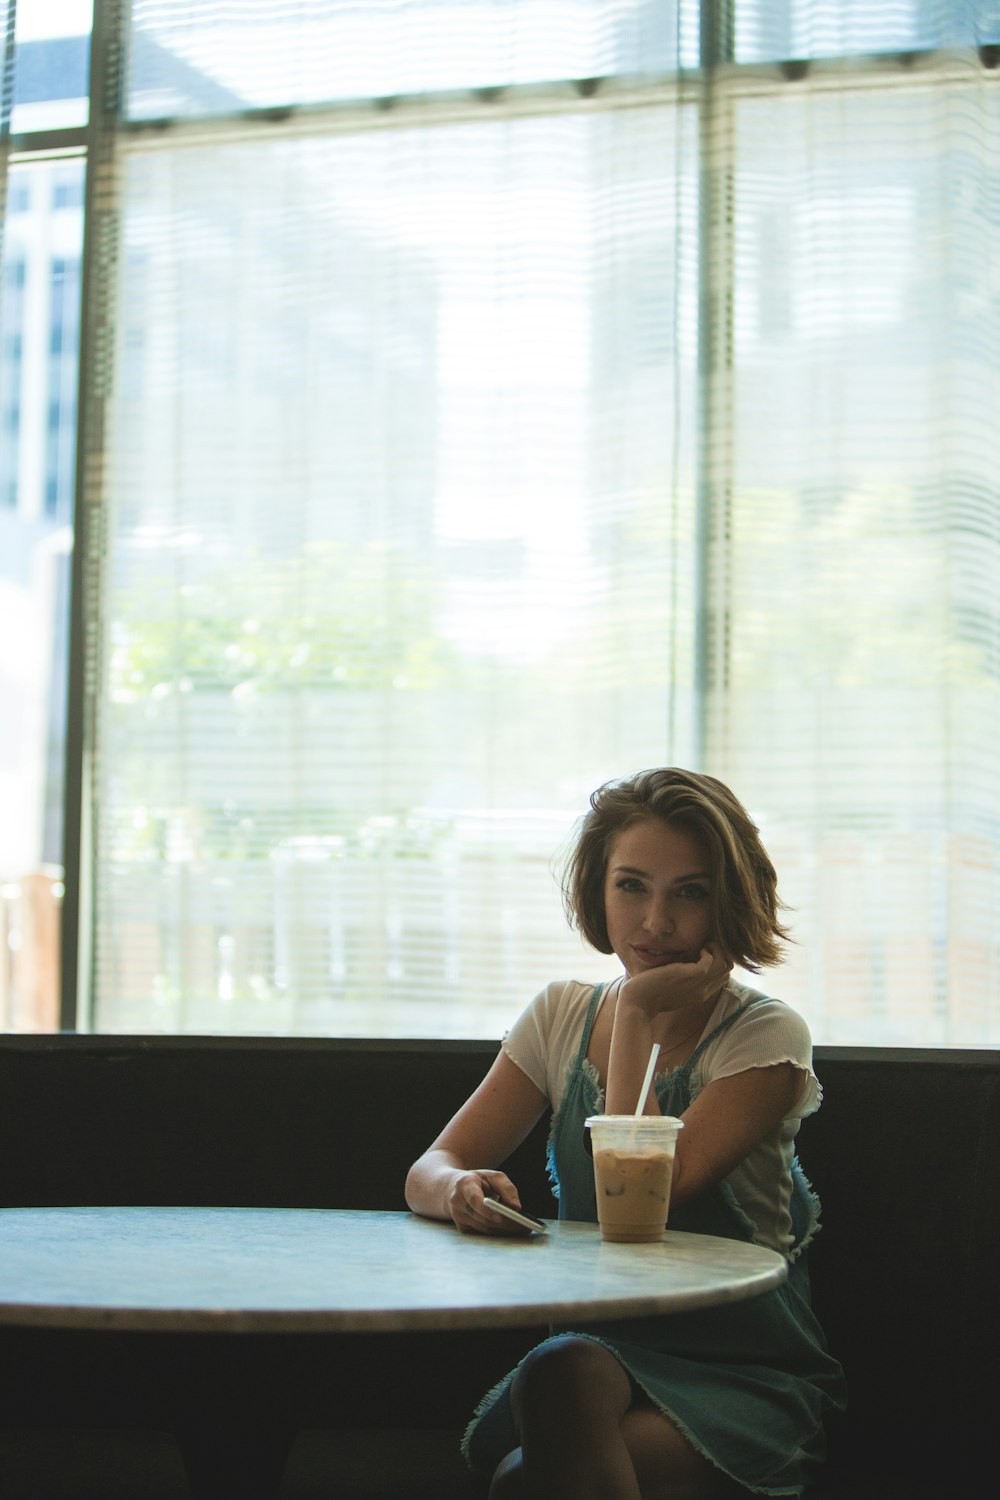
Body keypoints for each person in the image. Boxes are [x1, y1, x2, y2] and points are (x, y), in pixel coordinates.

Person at [405, 767, 847, 1499]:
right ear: (597, 890)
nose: (655, 923)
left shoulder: (766, 1034)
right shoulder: (559, 1015)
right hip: (601, 1353)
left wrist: (636, 1011)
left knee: (525, 1482)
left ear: (727, 902)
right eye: (631, 886)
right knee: (558, 1368)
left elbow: (647, 1198)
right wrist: (459, 1188)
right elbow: (432, 1164)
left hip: (739, 1362)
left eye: (690, 892)